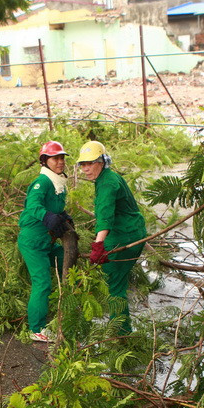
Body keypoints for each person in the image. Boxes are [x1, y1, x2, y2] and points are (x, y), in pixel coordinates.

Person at [78, 141, 147, 334]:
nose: (85, 169)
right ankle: (122, 327)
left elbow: (105, 216)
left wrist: (98, 245)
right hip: (132, 231)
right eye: (82, 164)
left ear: (101, 161)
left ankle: (120, 331)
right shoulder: (107, 177)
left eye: (90, 163)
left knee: (114, 284)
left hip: (125, 237)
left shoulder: (107, 183)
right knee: (117, 281)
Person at [18, 141, 72, 343]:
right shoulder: (43, 182)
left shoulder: (59, 182)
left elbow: (55, 207)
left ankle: (70, 308)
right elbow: (33, 206)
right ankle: (36, 328)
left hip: (47, 240)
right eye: (55, 158)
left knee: (68, 261)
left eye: (62, 158)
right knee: (42, 283)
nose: (60, 162)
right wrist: (47, 217)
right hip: (33, 240)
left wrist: (63, 216)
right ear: (45, 161)